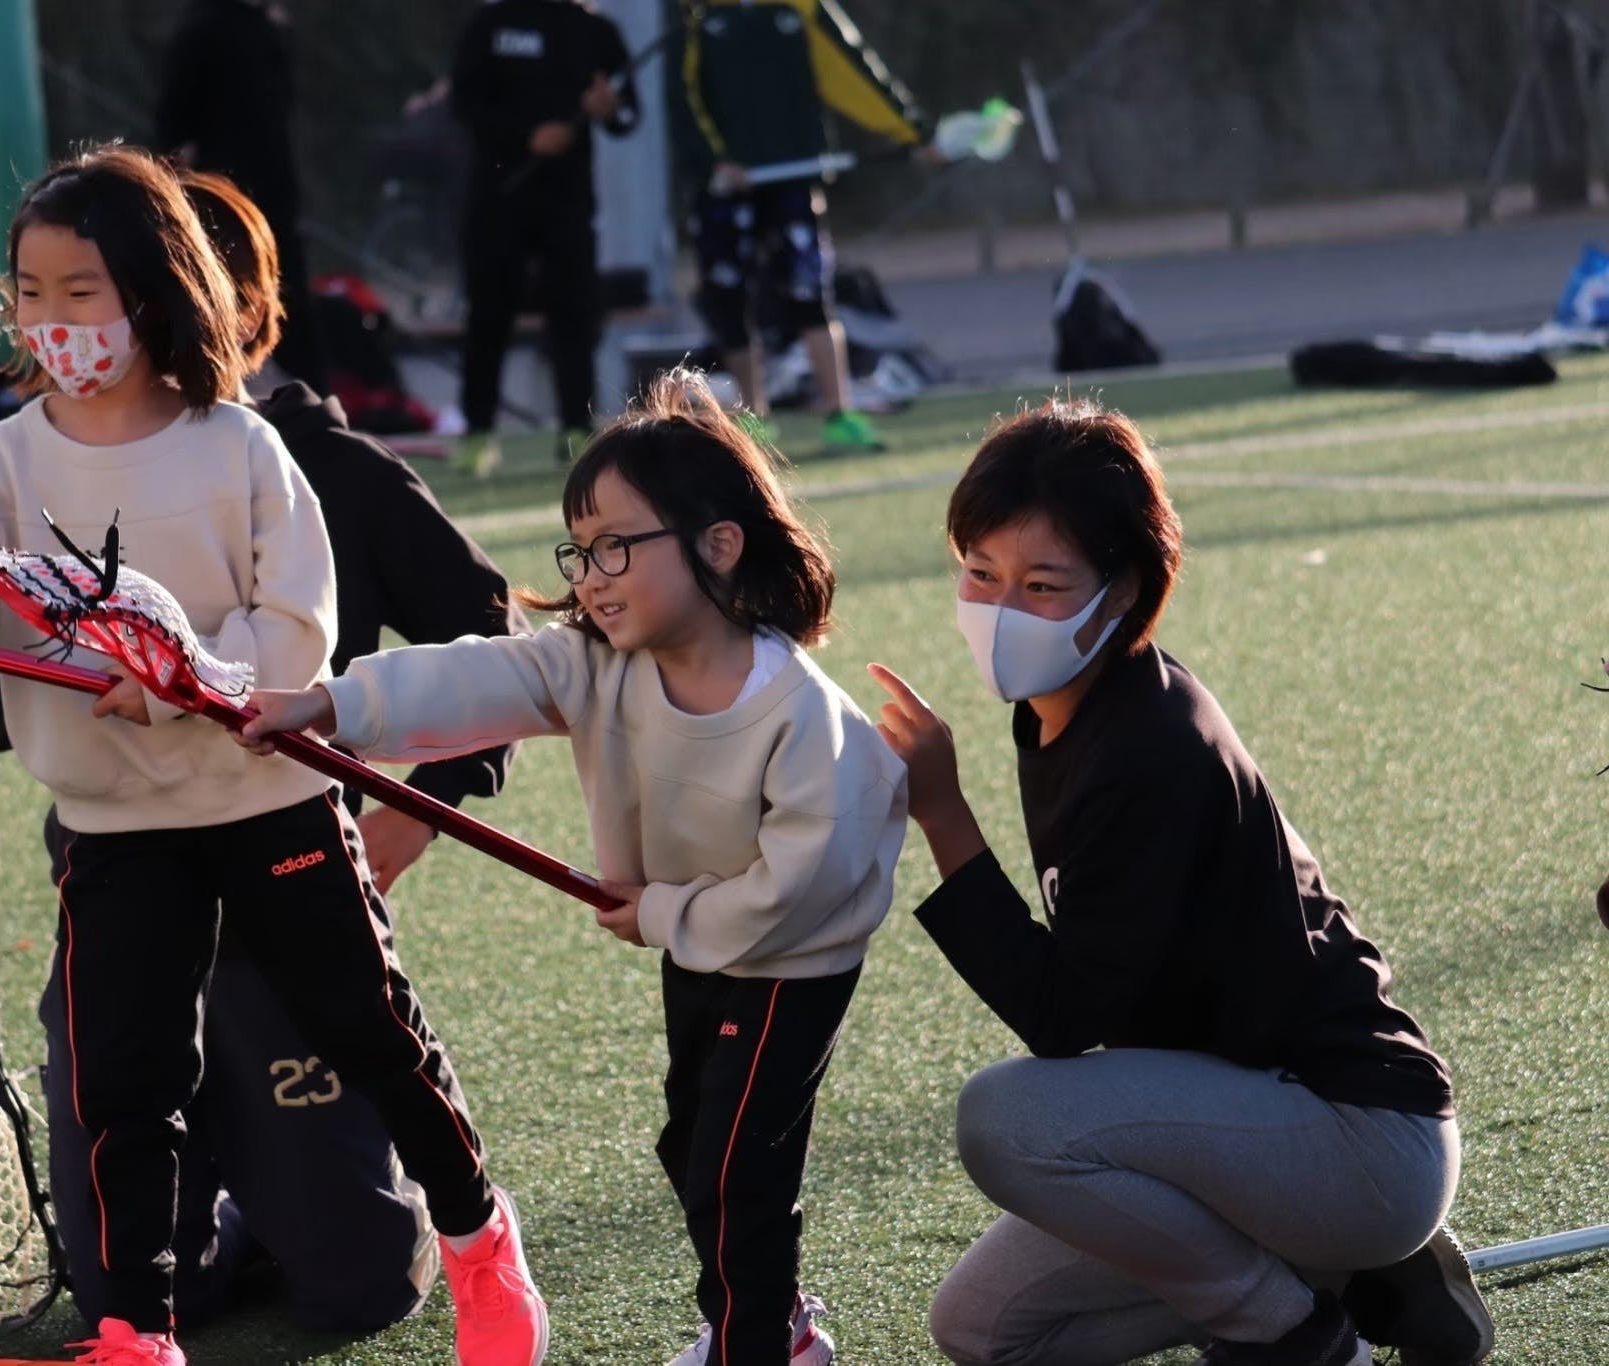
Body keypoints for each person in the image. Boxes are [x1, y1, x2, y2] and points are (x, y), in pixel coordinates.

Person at [0, 143, 548, 1366]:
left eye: (79, 290)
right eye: (29, 292)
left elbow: (293, 629)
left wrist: (176, 680)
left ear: (153, 292)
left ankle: (476, 1239)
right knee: (124, 1082)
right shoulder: (4, 462)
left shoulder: (240, 447)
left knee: (368, 1029)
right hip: (114, 829)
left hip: (269, 805)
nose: (51, 320)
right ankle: (135, 1332)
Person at [238, 371, 910, 1366]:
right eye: (579, 549)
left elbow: (802, 890)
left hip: (791, 960)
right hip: (697, 940)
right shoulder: (597, 660)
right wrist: (329, 706)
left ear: (719, 544)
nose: (591, 576)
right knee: (693, 1143)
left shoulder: (805, 720)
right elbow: (479, 675)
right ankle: (776, 1326)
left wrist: (666, 912)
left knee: (736, 1167)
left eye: (615, 547)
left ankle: (757, 1345)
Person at [868, 400, 1496, 1366]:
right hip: (1253, 1126)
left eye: (1041, 585)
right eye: (980, 573)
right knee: (986, 1332)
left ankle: (1294, 1331)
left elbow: (1062, 1017)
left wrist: (943, 815)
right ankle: (1362, 1282)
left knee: (1002, 1117)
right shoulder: (1066, 706)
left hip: (1358, 1134)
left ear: (1121, 591)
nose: (999, 609)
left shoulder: (1147, 743)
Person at [676, 0, 927, 454]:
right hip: (723, 190)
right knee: (730, 301)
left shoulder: (801, 8)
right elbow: (683, 96)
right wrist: (715, 161)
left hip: (792, 182)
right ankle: (752, 422)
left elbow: (853, 72)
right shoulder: (699, 16)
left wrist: (913, 131)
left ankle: (840, 414)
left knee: (811, 294)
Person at [448, 0, 640, 475]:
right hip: (498, 198)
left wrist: (609, 108)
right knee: (488, 314)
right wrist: (526, 137)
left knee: (574, 313)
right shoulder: (492, 23)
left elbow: (627, 113)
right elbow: (464, 104)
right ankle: (478, 432)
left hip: (568, 202)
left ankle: (576, 429)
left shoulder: (596, 32)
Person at [156, 0, 326, 392]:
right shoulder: (204, 28)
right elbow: (174, 119)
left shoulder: (268, 27)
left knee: (286, 293)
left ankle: (314, 393)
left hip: (272, 190)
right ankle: (209, 387)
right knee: (216, 290)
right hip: (222, 192)